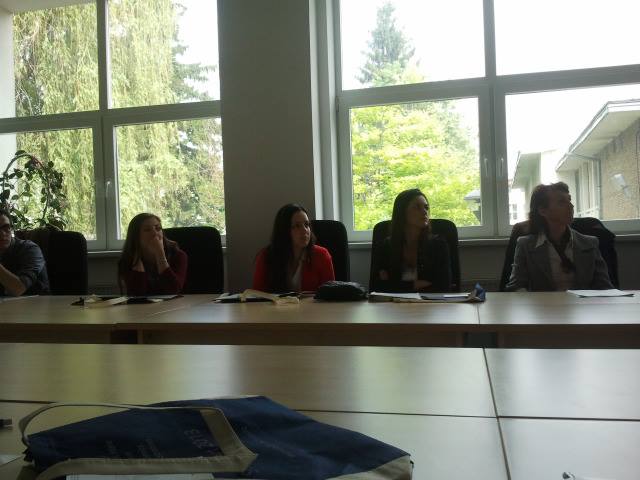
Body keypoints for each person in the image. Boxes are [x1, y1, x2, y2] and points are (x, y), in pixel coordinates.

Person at [506, 182, 613, 291]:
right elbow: (515, 287)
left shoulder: (590, 243)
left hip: (581, 302)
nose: (571, 206)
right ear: (543, 210)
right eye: (562, 202)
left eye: (569, 200)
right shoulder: (525, 245)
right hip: (543, 302)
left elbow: (605, 287)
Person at [371, 189, 452, 293]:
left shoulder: (438, 245)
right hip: (394, 303)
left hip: (429, 302)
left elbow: (444, 285)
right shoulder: (385, 247)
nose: (425, 212)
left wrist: (396, 284)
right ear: (402, 212)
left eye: (426, 207)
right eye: (417, 207)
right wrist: (414, 284)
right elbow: (377, 287)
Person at [253, 203, 335, 293]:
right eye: (297, 226)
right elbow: (257, 296)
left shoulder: (321, 255)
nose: (305, 230)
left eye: (306, 224)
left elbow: (330, 295)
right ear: (284, 230)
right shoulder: (266, 256)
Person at [118, 213, 188, 295]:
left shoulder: (178, 255)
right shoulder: (127, 259)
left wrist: (160, 253)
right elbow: (136, 295)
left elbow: (173, 290)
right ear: (136, 236)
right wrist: (137, 261)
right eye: (147, 230)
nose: (155, 233)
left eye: (158, 228)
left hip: (181, 303)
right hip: (145, 304)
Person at [0, 209, 50, 296]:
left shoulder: (30, 249)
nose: (2, 234)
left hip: (38, 303)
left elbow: (19, 288)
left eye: (6, 227)